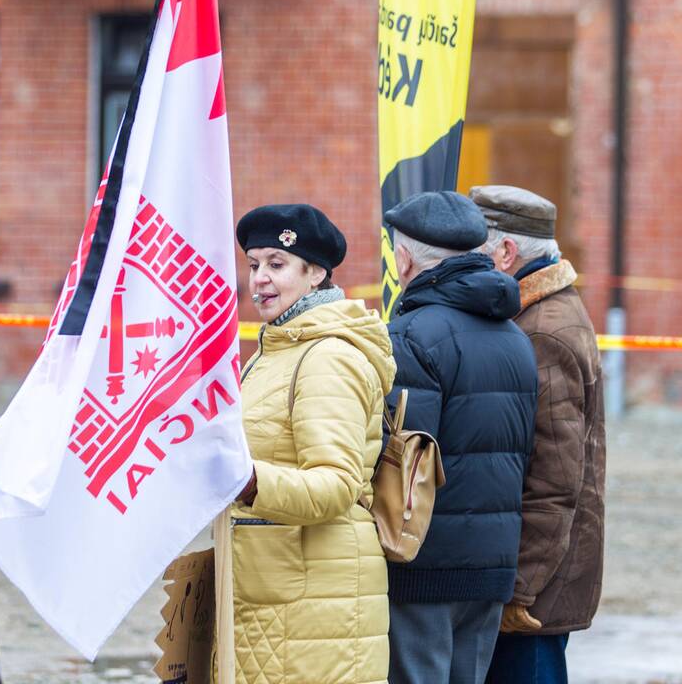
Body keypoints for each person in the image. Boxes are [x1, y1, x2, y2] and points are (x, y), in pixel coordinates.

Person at [225, 203, 395, 684]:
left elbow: (337, 484)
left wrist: (248, 479)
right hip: (275, 591)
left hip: (315, 602)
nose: (259, 279)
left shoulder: (327, 357)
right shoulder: (278, 347)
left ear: (316, 272)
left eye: (276, 265)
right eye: (254, 264)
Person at [383, 190, 538, 683]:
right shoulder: (515, 338)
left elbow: (406, 460)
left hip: (423, 562)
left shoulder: (411, 335)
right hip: (491, 561)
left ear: (403, 258)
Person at [471, 185, 606, 684]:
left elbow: (555, 478)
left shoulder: (541, 330)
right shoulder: (534, 314)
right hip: (536, 578)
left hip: (534, 592)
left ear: (506, 253)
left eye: (476, 249)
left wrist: (519, 590)